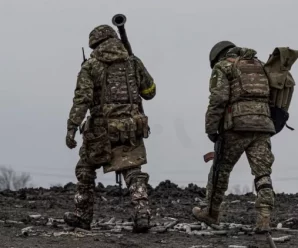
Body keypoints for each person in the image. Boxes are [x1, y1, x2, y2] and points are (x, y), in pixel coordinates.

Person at [64, 24, 156, 233]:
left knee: (85, 169)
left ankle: (82, 216)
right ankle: (142, 214)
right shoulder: (133, 62)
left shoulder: (91, 66)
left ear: (94, 44)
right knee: (133, 172)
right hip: (132, 128)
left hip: (101, 130)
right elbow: (150, 92)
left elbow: (82, 99)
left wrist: (72, 127)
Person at [192, 41, 276, 234]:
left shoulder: (223, 67)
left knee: (221, 169)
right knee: (263, 173)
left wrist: (211, 128)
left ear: (217, 57)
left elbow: (218, 98)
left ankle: (211, 213)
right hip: (263, 124)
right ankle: (264, 218)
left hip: (237, 126)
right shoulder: (259, 65)